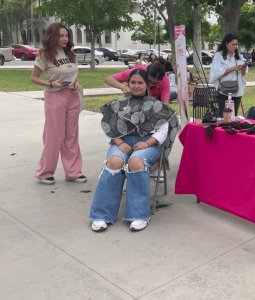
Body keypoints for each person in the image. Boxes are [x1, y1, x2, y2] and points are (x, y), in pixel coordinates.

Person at [89, 68, 177, 232]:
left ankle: (139, 214)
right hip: (121, 142)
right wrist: (119, 142)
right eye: (133, 82)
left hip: (148, 144)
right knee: (114, 162)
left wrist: (148, 143)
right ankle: (101, 215)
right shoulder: (117, 105)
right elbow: (109, 128)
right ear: (127, 84)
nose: (136, 86)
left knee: (136, 162)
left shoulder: (156, 106)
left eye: (140, 83)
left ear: (146, 85)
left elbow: (163, 130)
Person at [30, 22, 86, 185]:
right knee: (54, 135)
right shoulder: (44, 55)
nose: (65, 38)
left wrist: (77, 83)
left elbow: (73, 73)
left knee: (71, 135)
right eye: (61, 35)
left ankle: (73, 172)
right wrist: (50, 84)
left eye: (66, 35)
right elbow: (33, 78)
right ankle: (44, 172)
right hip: (55, 97)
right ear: (52, 36)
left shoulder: (70, 54)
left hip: (72, 95)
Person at [209, 33, 248, 117]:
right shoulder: (219, 56)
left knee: (233, 116)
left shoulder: (239, 57)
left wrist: (243, 69)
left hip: (237, 90)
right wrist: (232, 69)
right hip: (224, 90)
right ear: (226, 44)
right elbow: (216, 73)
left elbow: (243, 74)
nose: (235, 46)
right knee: (224, 116)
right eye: (233, 44)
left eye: (236, 44)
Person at [105, 60, 170, 104]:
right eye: (149, 81)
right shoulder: (136, 73)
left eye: (155, 83)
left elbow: (165, 102)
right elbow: (109, 79)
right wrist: (123, 87)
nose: (151, 84)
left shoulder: (165, 80)